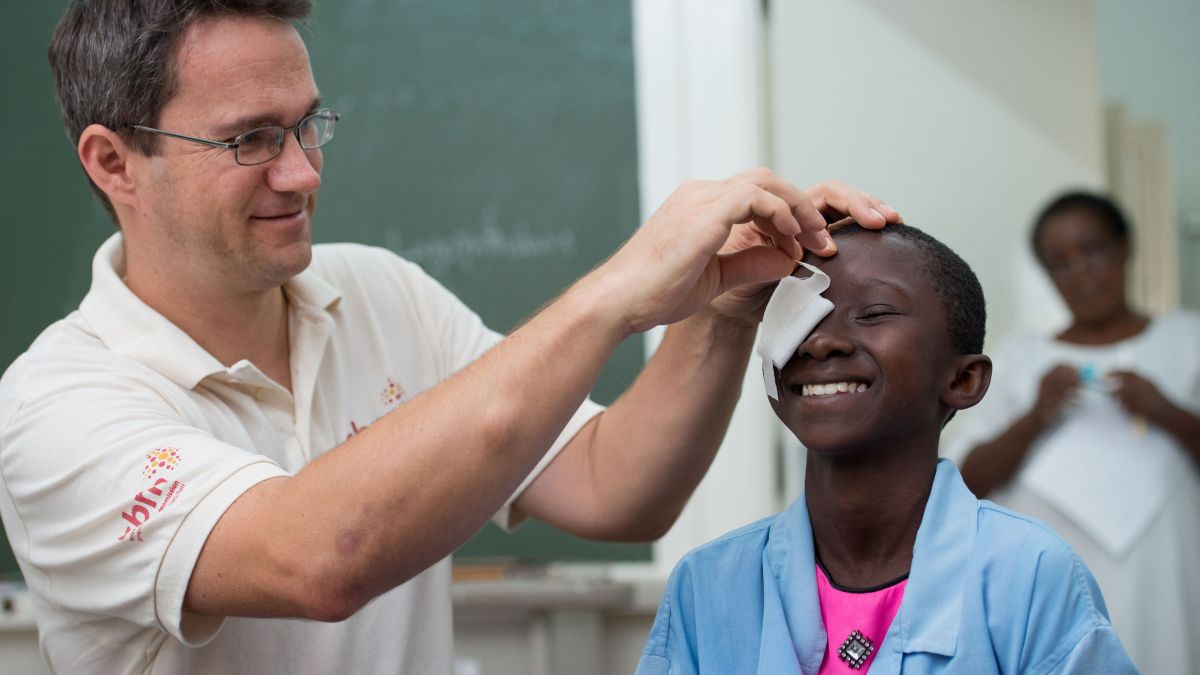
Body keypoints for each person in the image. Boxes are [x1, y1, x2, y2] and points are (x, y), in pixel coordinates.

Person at [0, 1, 902, 673]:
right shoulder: (58, 408)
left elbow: (612, 486)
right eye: (251, 141)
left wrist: (722, 308)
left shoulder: (380, 292)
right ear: (113, 162)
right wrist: (619, 292)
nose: (302, 171)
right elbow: (317, 558)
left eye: (310, 124)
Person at [636, 223, 1137, 674]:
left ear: (963, 378)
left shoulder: (1028, 574)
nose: (818, 343)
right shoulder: (709, 586)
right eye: (799, 318)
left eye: (873, 313)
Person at [955, 191, 1200, 673]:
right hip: (1053, 595)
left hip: (1165, 588)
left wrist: (1166, 411)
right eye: (1060, 263)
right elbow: (964, 484)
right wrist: (1035, 416)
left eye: (1094, 250)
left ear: (1126, 247)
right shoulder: (1020, 357)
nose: (1082, 273)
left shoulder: (1186, 340)